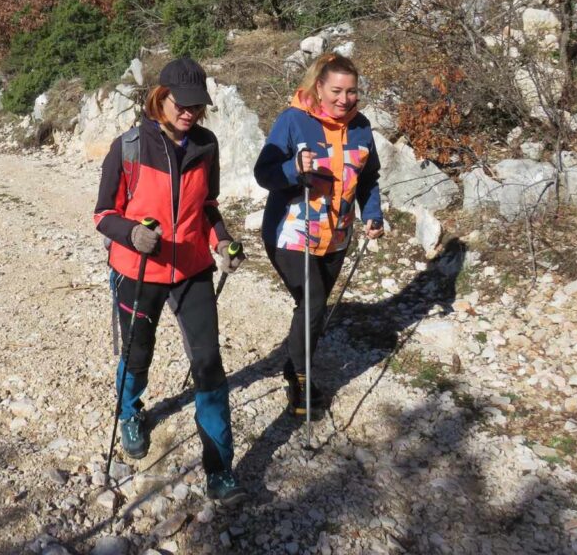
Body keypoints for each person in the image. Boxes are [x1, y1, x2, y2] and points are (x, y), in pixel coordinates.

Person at [94, 57, 247, 504]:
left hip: (192, 269)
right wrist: (131, 234)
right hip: (138, 269)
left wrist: (223, 242)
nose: (190, 113)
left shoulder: (206, 145)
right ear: (161, 97)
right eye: (182, 104)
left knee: (208, 364)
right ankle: (130, 412)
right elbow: (103, 214)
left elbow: (208, 207)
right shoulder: (129, 146)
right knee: (138, 352)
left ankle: (220, 467)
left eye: (197, 106)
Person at [253, 52, 385, 416]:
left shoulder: (361, 127)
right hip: (291, 232)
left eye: (351, 92)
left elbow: (368, 178)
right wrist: (293, 168)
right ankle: (301, 378)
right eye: (336, 91)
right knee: (312, 303)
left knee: (312, 309)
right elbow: (264, 173)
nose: (344, 99)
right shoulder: (294, 120)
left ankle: (295, 363)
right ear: (319, 87)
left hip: (336, 235)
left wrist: (372, 213)